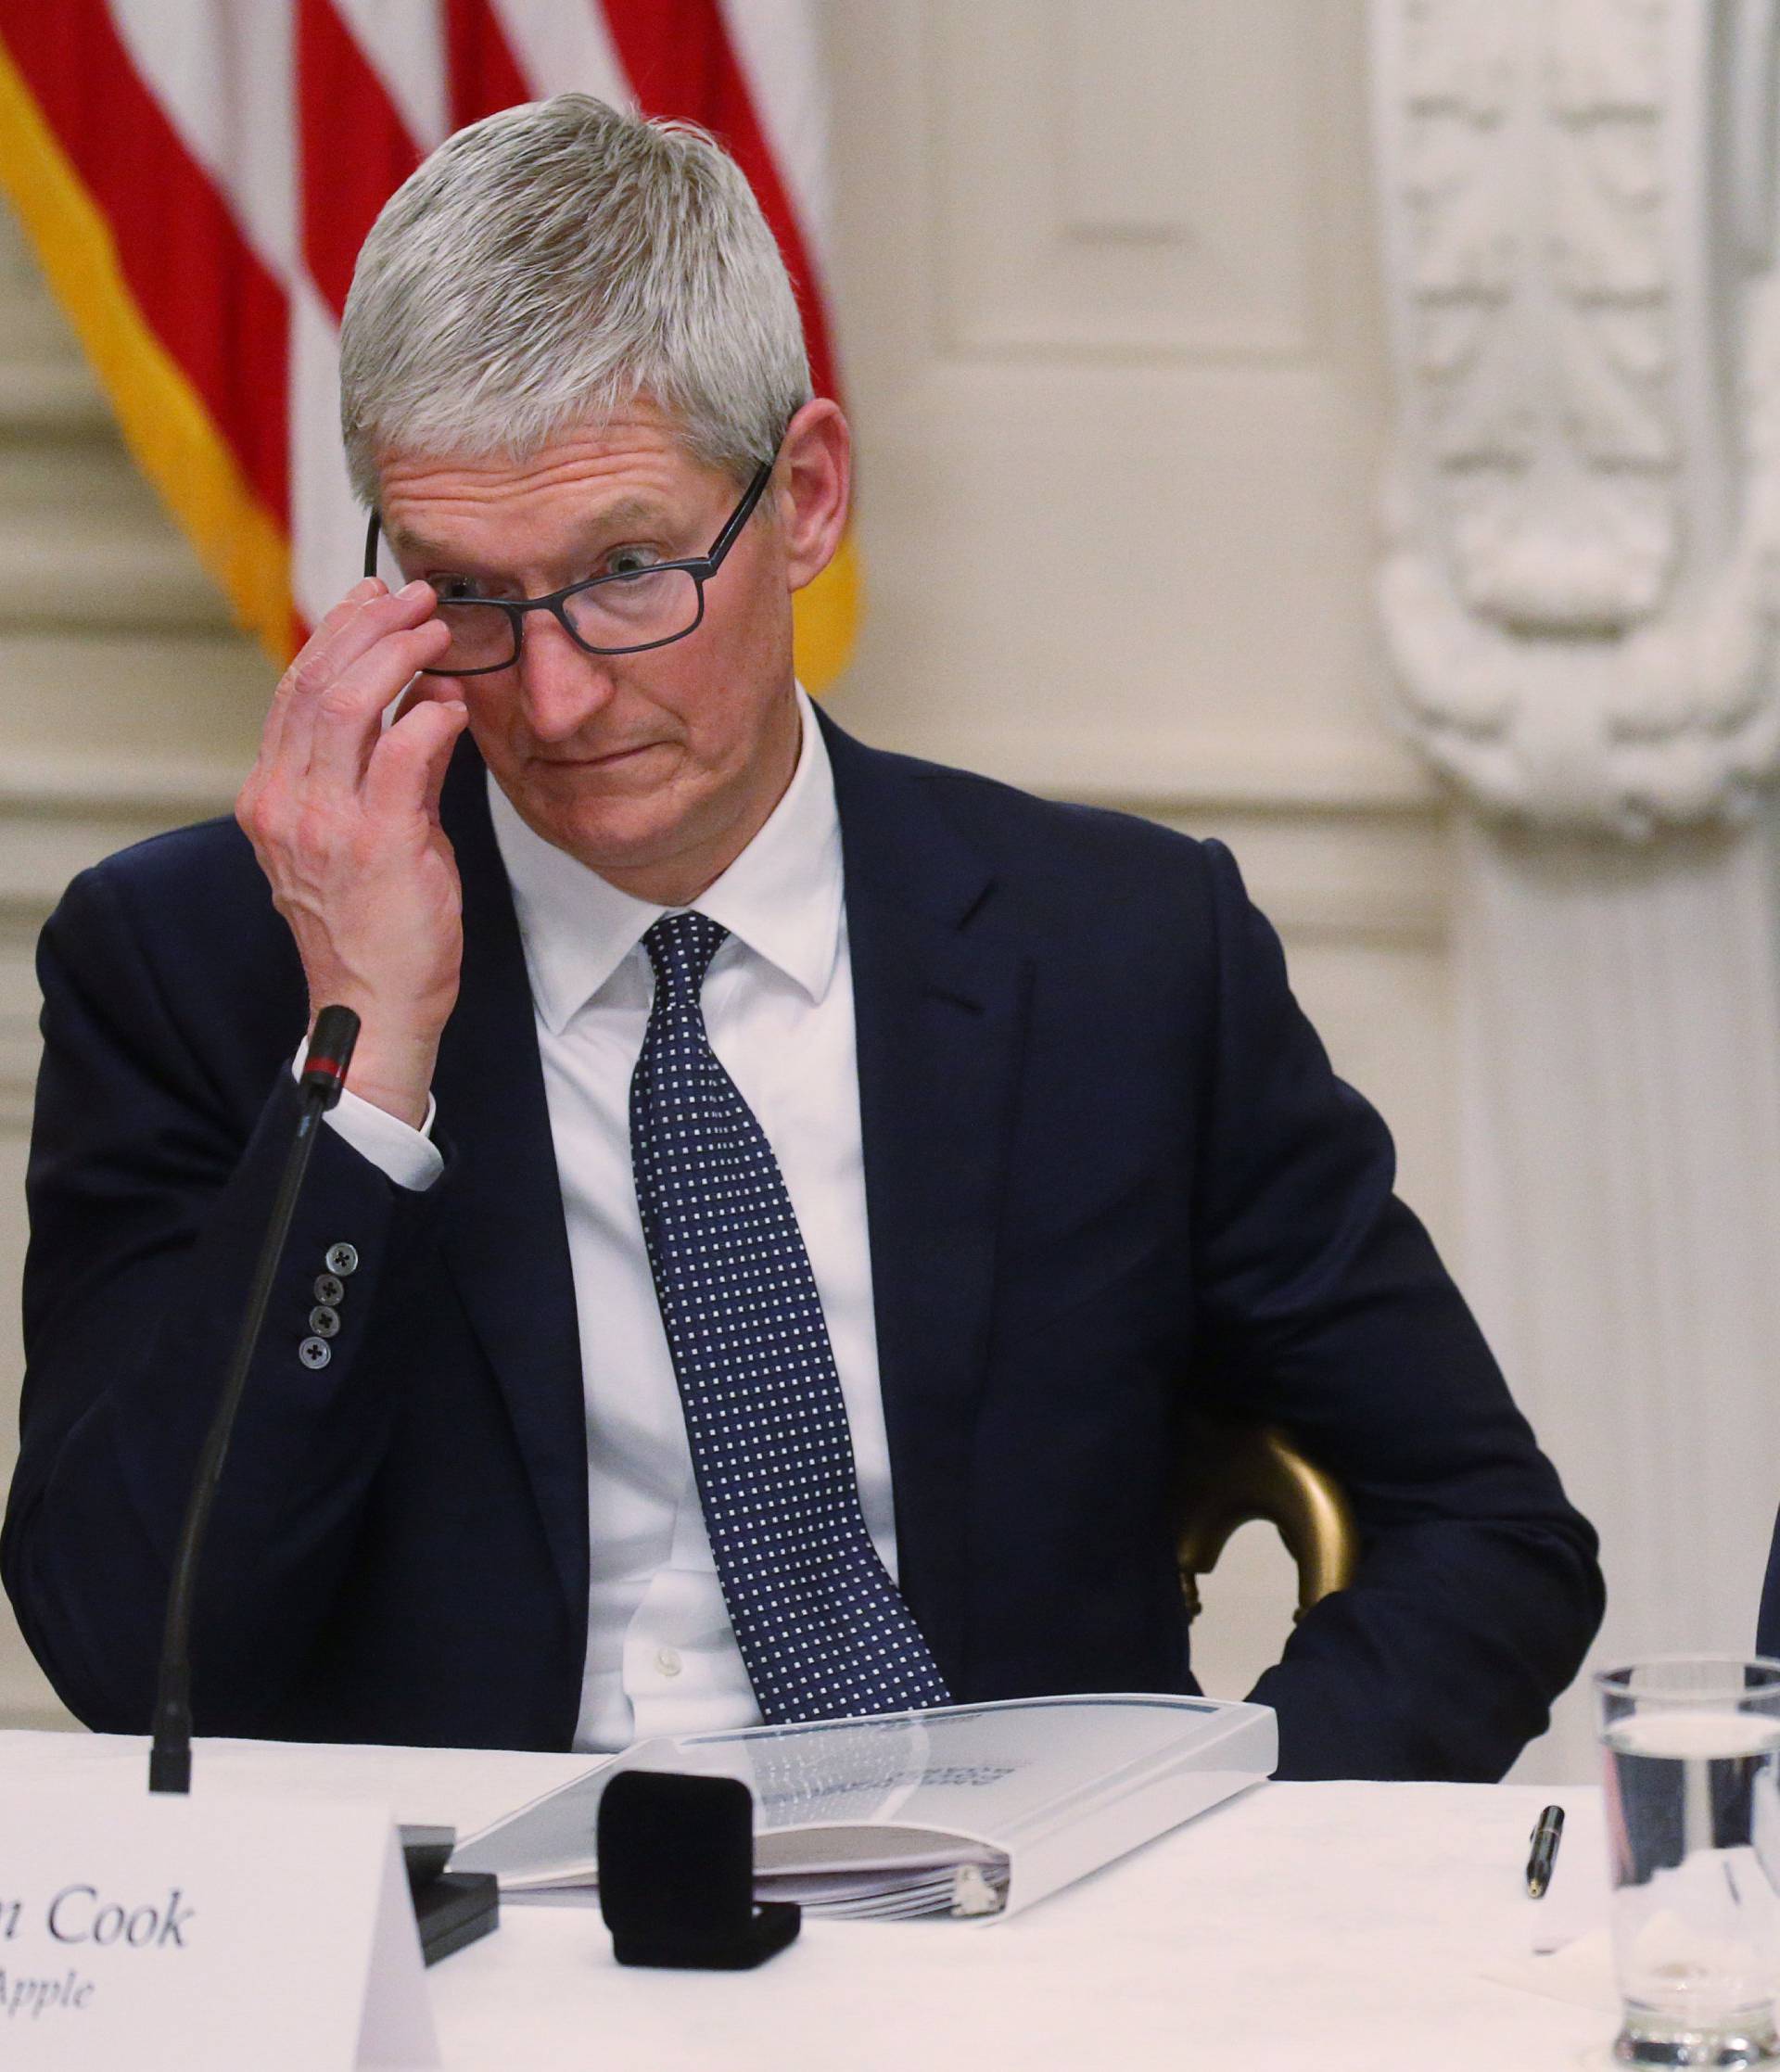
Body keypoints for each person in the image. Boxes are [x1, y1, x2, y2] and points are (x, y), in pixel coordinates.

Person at [2, 95, 1601, 1780]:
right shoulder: (197, 966)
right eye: (468, 594)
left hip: (1009, 1961)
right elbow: (131, 1655)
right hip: (461, 1970)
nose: (552, 695)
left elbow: (1482, 1534)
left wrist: (1206, 1855)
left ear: (809, 496)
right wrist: (366, 1060)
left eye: (627, 570)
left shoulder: (1123, 952)